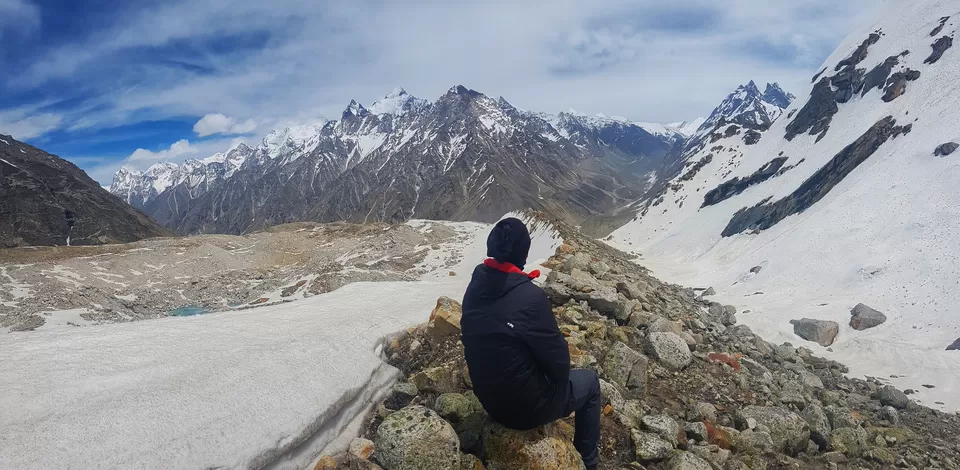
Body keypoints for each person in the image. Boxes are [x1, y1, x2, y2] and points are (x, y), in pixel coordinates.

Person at [461, 217, 600, 470]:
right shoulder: (530, 298)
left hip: (489, 402)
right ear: (523, 254)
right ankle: (588, 464)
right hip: (525, 411)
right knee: (590, 384)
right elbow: (559, 366)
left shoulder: (474, 285)